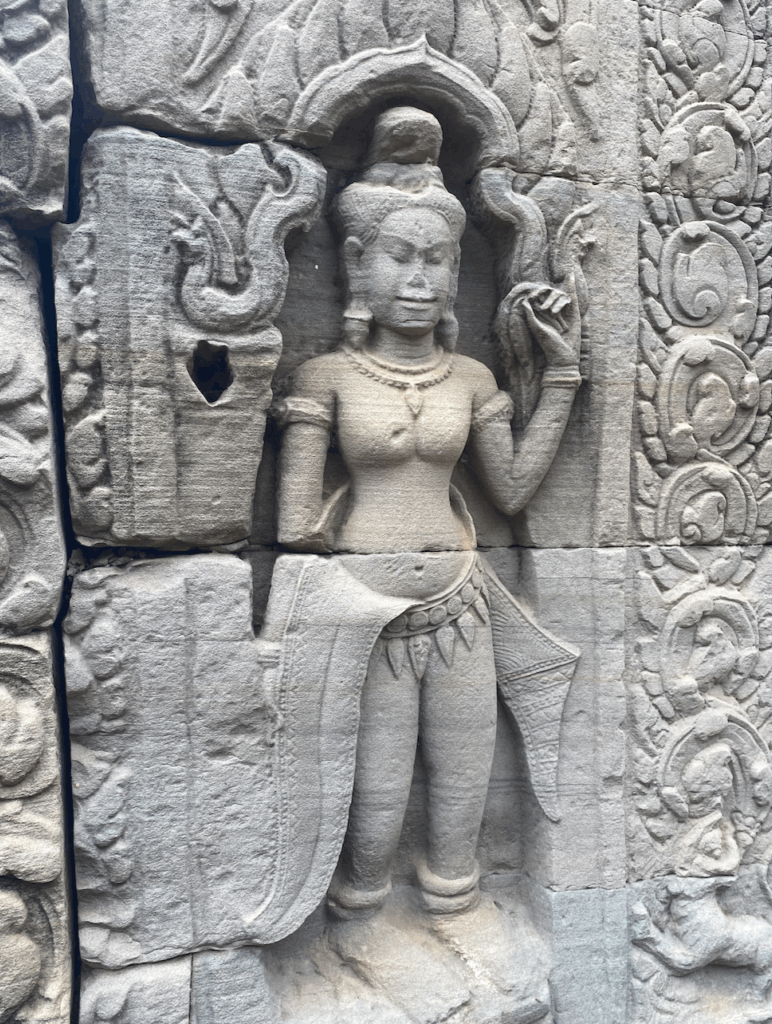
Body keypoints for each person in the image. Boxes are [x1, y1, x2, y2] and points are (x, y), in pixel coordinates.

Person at [275, 106, 581, 926]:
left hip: (462, 609)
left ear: (455, 274)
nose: (419, 279)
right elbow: (296, 521)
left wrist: (561, 379)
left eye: (437, 261)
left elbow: (510, 491)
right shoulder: (327, 378)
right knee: (374, 794)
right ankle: (359, 925)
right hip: (367, 617)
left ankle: (459, 918)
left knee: (463, 782)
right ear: (357, 263)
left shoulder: (472, 380)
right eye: (401, 257)